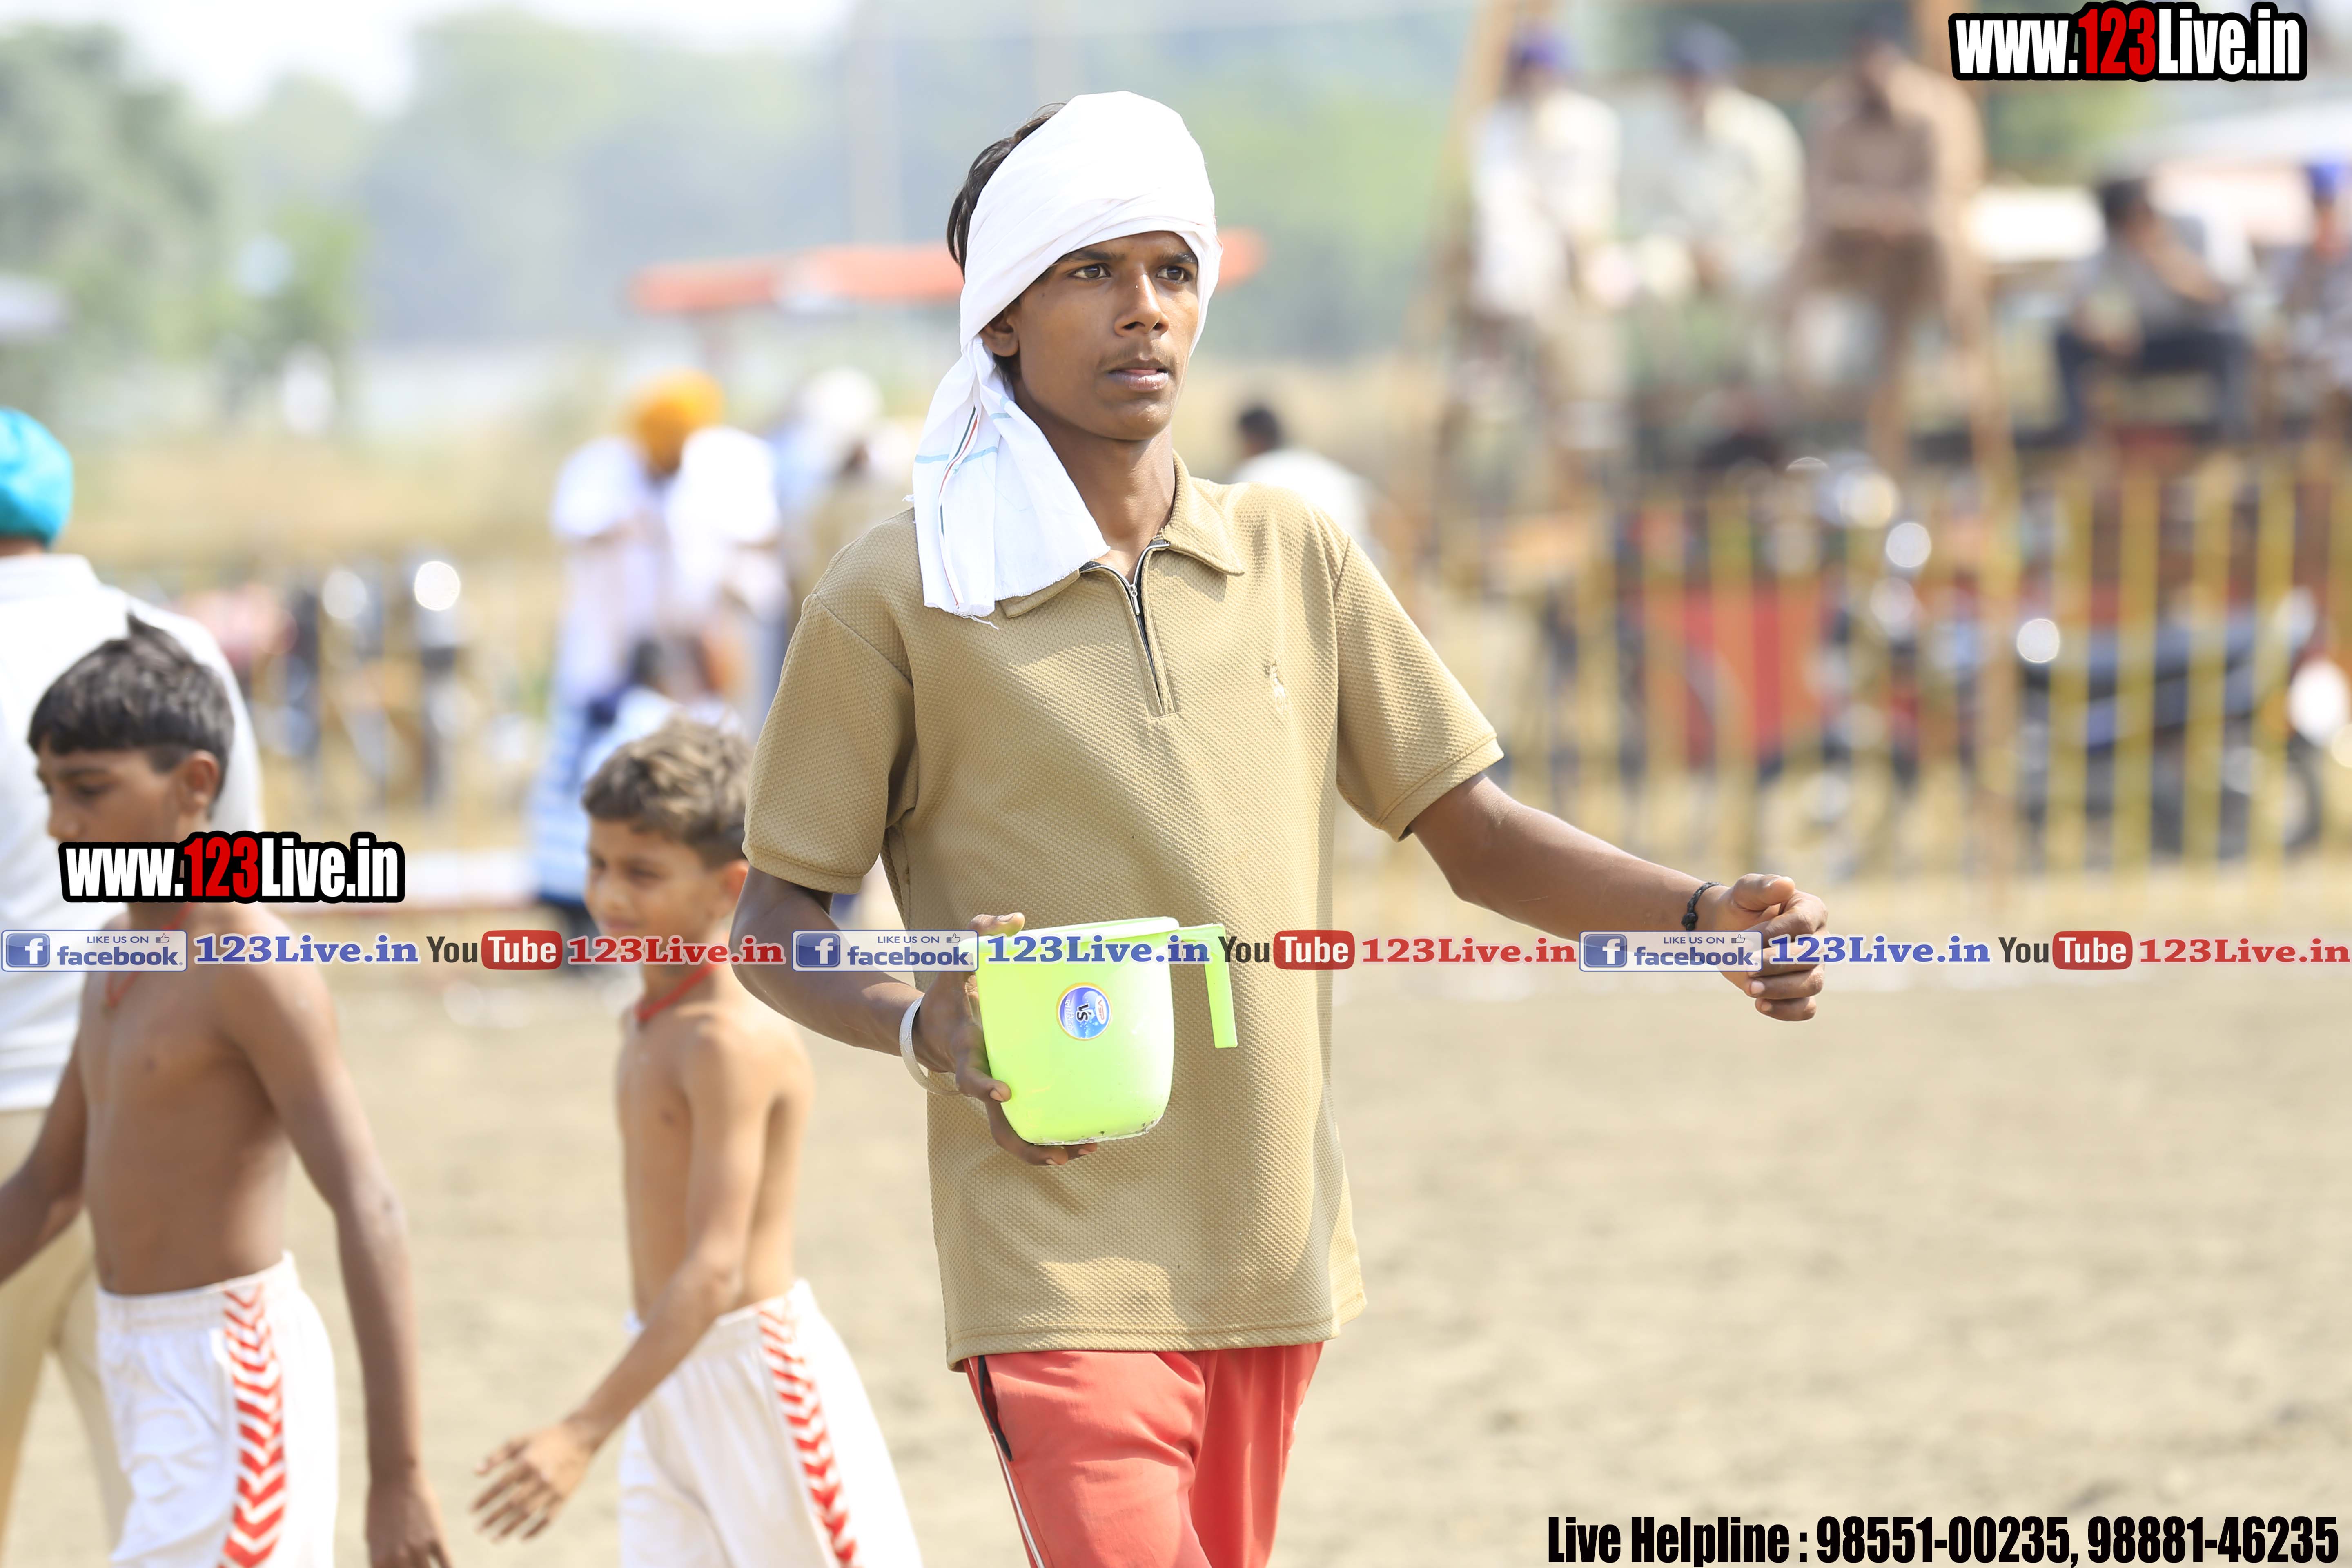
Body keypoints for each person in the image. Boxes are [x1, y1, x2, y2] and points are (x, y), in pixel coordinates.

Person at [729, 92, 1829, 1568]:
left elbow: (1478, 834)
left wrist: (1696, 917)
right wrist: (926, 1023)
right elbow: (774, 925)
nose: (1143, 310)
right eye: (1089, 270)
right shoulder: (894, 594)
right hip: (1054, 1253)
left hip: (1271, 1244)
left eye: (1171, 271)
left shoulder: (1294, 553)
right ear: (998, 317)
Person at [1, 622, 448, 1567]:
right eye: (48, 791)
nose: (58, 825)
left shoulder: (250, 961)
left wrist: (399, 1473)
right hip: (141, 1368)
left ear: (194, 784)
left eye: (87, 789)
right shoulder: (116, 950)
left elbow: (368, 1203)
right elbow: (49, 1185)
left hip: (230, 1376)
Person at [473, 720, 920, 1567]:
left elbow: (715, 1270)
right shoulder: (648, 1022)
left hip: (758, 1384)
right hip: (665, 1370)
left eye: (642, 873)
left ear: (729, 888)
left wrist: (580, 1432)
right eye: (598, 864)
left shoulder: (729, 1040)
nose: (609, 894)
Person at [0, 408, 265, 1554]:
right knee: (172, 1511)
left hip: (17, 1110)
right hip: (158, 1106)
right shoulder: (171, 646)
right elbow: (237, 881)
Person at [530, 371, 778, 934]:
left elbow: (756, 549)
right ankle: (578, 909)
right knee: (592, 778)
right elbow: (579, 529)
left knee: (705, 776)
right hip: (610, 662)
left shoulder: (724, 467)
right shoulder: (601, 471)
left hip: (693, 661)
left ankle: (696, 902)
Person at [1786, 11, 1988, 472]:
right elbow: (1820, 195)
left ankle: (1962, 353)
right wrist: (1870, 215)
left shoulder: (1940, 107)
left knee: (1946, 236)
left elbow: (1951, 188)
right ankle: (1793, 365)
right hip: (1858, 246)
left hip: (1921, 245)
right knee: (1804, 244)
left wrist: (1900, 216)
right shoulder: (1833, 111)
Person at [1460, 26, 1626, 477]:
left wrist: (1574, 248)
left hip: (1581, 268)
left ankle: (1591, 430)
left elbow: (1588, 207)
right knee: (1509, 262)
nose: (1536, 83)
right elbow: (1498, 202)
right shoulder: (1495, 126)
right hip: (1521, 280)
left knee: (1602, 297)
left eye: (1543, 72)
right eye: (1528, 72)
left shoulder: (1591, 124)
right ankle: (1506, 382)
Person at [2057, 177, 2253, 443]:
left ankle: (2226, 436)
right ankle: (2077, 440)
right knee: (2065, 341)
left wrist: (2165, 258)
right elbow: (2080, 304)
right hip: (2139, 341)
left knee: (2229, 336)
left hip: (2192, 335)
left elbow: (2220, 297)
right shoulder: (2110, 244)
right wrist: (2102, 331)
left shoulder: (2193, 227)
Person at [1229, 403, 1377, 561]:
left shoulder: (1251, 475)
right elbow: (1378, 513)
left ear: (1251, 439)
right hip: (1358, 564)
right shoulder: (1321, 466)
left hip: (1304, 567)